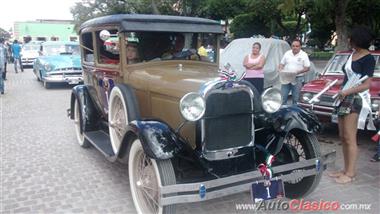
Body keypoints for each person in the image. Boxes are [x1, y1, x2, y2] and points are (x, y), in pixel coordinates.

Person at [327, 26, 376, 184]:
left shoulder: (368, 58)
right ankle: (345, 169)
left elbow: (367, 84)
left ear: (358, 40)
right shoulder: (353, 54)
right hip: (344, 96)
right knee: (342, 136)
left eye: (351, 38)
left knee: (350, 137)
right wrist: (342, 91)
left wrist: (347, 92)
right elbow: (347, 77)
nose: (349, 40)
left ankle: (351, 173)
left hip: (355, 98)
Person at [278, 39, 310, 104]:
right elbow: (281, 64)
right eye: (293, 46)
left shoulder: (304, 55)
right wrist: (280, 69)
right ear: (291, 46)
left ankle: (295, 113)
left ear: (300, 47)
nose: (295, 47)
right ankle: (283, 112)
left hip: (298, 78)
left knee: (296, 98)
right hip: (286, 78)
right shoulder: (287, 53)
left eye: (297, 46)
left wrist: (297, 72)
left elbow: (307, 68)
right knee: (283, 97)